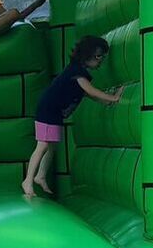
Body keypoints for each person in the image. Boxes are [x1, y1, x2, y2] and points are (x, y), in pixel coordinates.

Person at [23, 36, 126, 197]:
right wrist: (113, 98)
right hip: (48, 109)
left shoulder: (78, 74)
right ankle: (27, 181)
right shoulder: (76, 73)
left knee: (52, 145)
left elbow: (88, 94)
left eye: (103, 57)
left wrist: (106, 101)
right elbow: (91, 90)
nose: (100, 61)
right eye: (98, 56)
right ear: (87, 55)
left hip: (54, 111)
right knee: (42, 145)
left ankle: (40, 176)